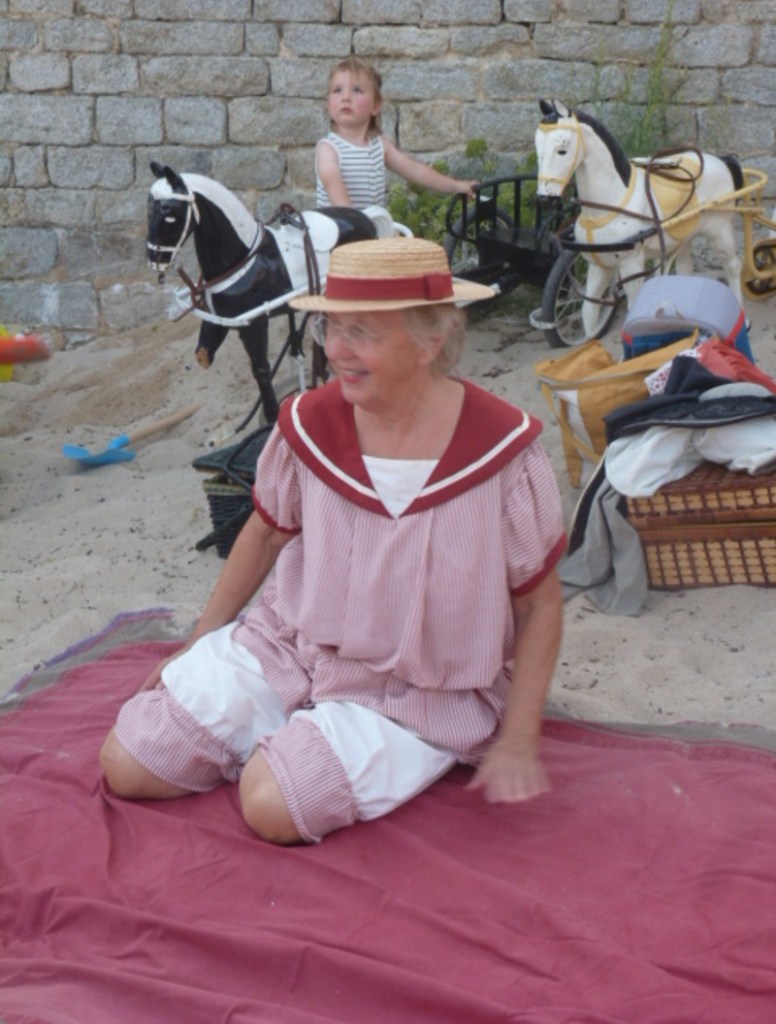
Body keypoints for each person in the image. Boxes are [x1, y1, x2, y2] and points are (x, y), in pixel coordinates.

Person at [99, 236, 567, 845]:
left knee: (270, 806)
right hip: (294, 644)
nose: (337, 351)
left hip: (417, 687)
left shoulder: (502, 450)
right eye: (329, 327)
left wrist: (521, 735)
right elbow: (266, 534)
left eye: (362, 332)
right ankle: (287, 722)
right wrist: (200, 639)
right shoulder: (308, 424)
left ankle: (321, 744)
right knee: (129, 762)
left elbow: (540, 604)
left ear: (431, 339)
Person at [315, 56, 478, 209]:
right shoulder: (328, 148)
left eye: (357, 90)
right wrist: (357, 227)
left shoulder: (379, 146)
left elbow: (415, 170)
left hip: (369, 234)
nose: (346, 97)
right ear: (328, 103)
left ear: (375, 106)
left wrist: (456, 186)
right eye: (337, 90)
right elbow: (332, 184)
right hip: (337, 234)